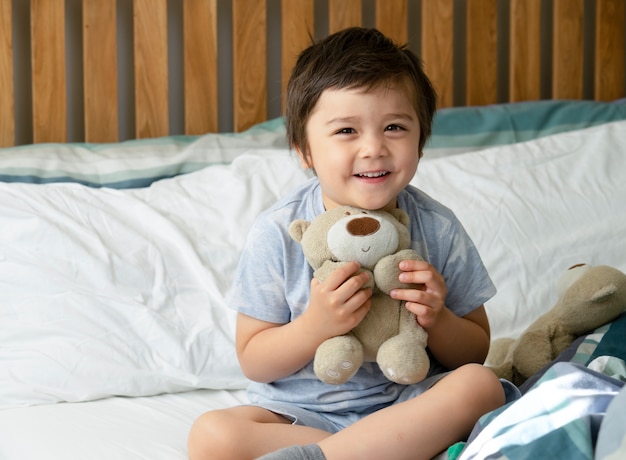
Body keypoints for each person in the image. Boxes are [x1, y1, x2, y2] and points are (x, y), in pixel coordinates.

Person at [188, 27, 516, 460]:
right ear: (304, 150)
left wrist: (437, 318)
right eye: (346, 131)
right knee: (211, 436)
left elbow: (475, 349)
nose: (374, 148)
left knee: (481, 386)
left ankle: (326, 456)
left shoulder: (437, 227)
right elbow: (254, 359)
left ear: (421, 141)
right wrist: (315, 326)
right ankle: (375, 452)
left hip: (411, 404)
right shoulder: (279, 231)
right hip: (301, 416)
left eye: (395, 127)